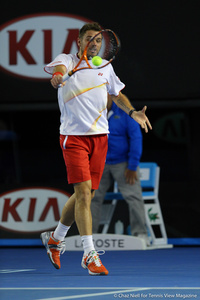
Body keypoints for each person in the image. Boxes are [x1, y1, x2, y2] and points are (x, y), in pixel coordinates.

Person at [40, 22, 152, 276]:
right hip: (74, 138)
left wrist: (132, 112)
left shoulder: (104, 65)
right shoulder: (66, 60)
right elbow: (58, 71)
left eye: (98, 40)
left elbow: (117, 93)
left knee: (85, 194)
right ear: (79, 42)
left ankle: (56, 240)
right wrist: (58, 76)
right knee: (83, 193)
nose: (94, 43)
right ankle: (89, 255)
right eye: (89, 38)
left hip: (101, 138)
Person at [91, 96, 149, 245]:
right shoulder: (92, 111)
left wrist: (132, 165)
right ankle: (89, 236)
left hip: (123, 163)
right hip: (99, 162)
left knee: (134, 197)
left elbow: (136, 138)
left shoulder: (126, 113)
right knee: (92, 197)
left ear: (111, 96)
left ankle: (141, 234)